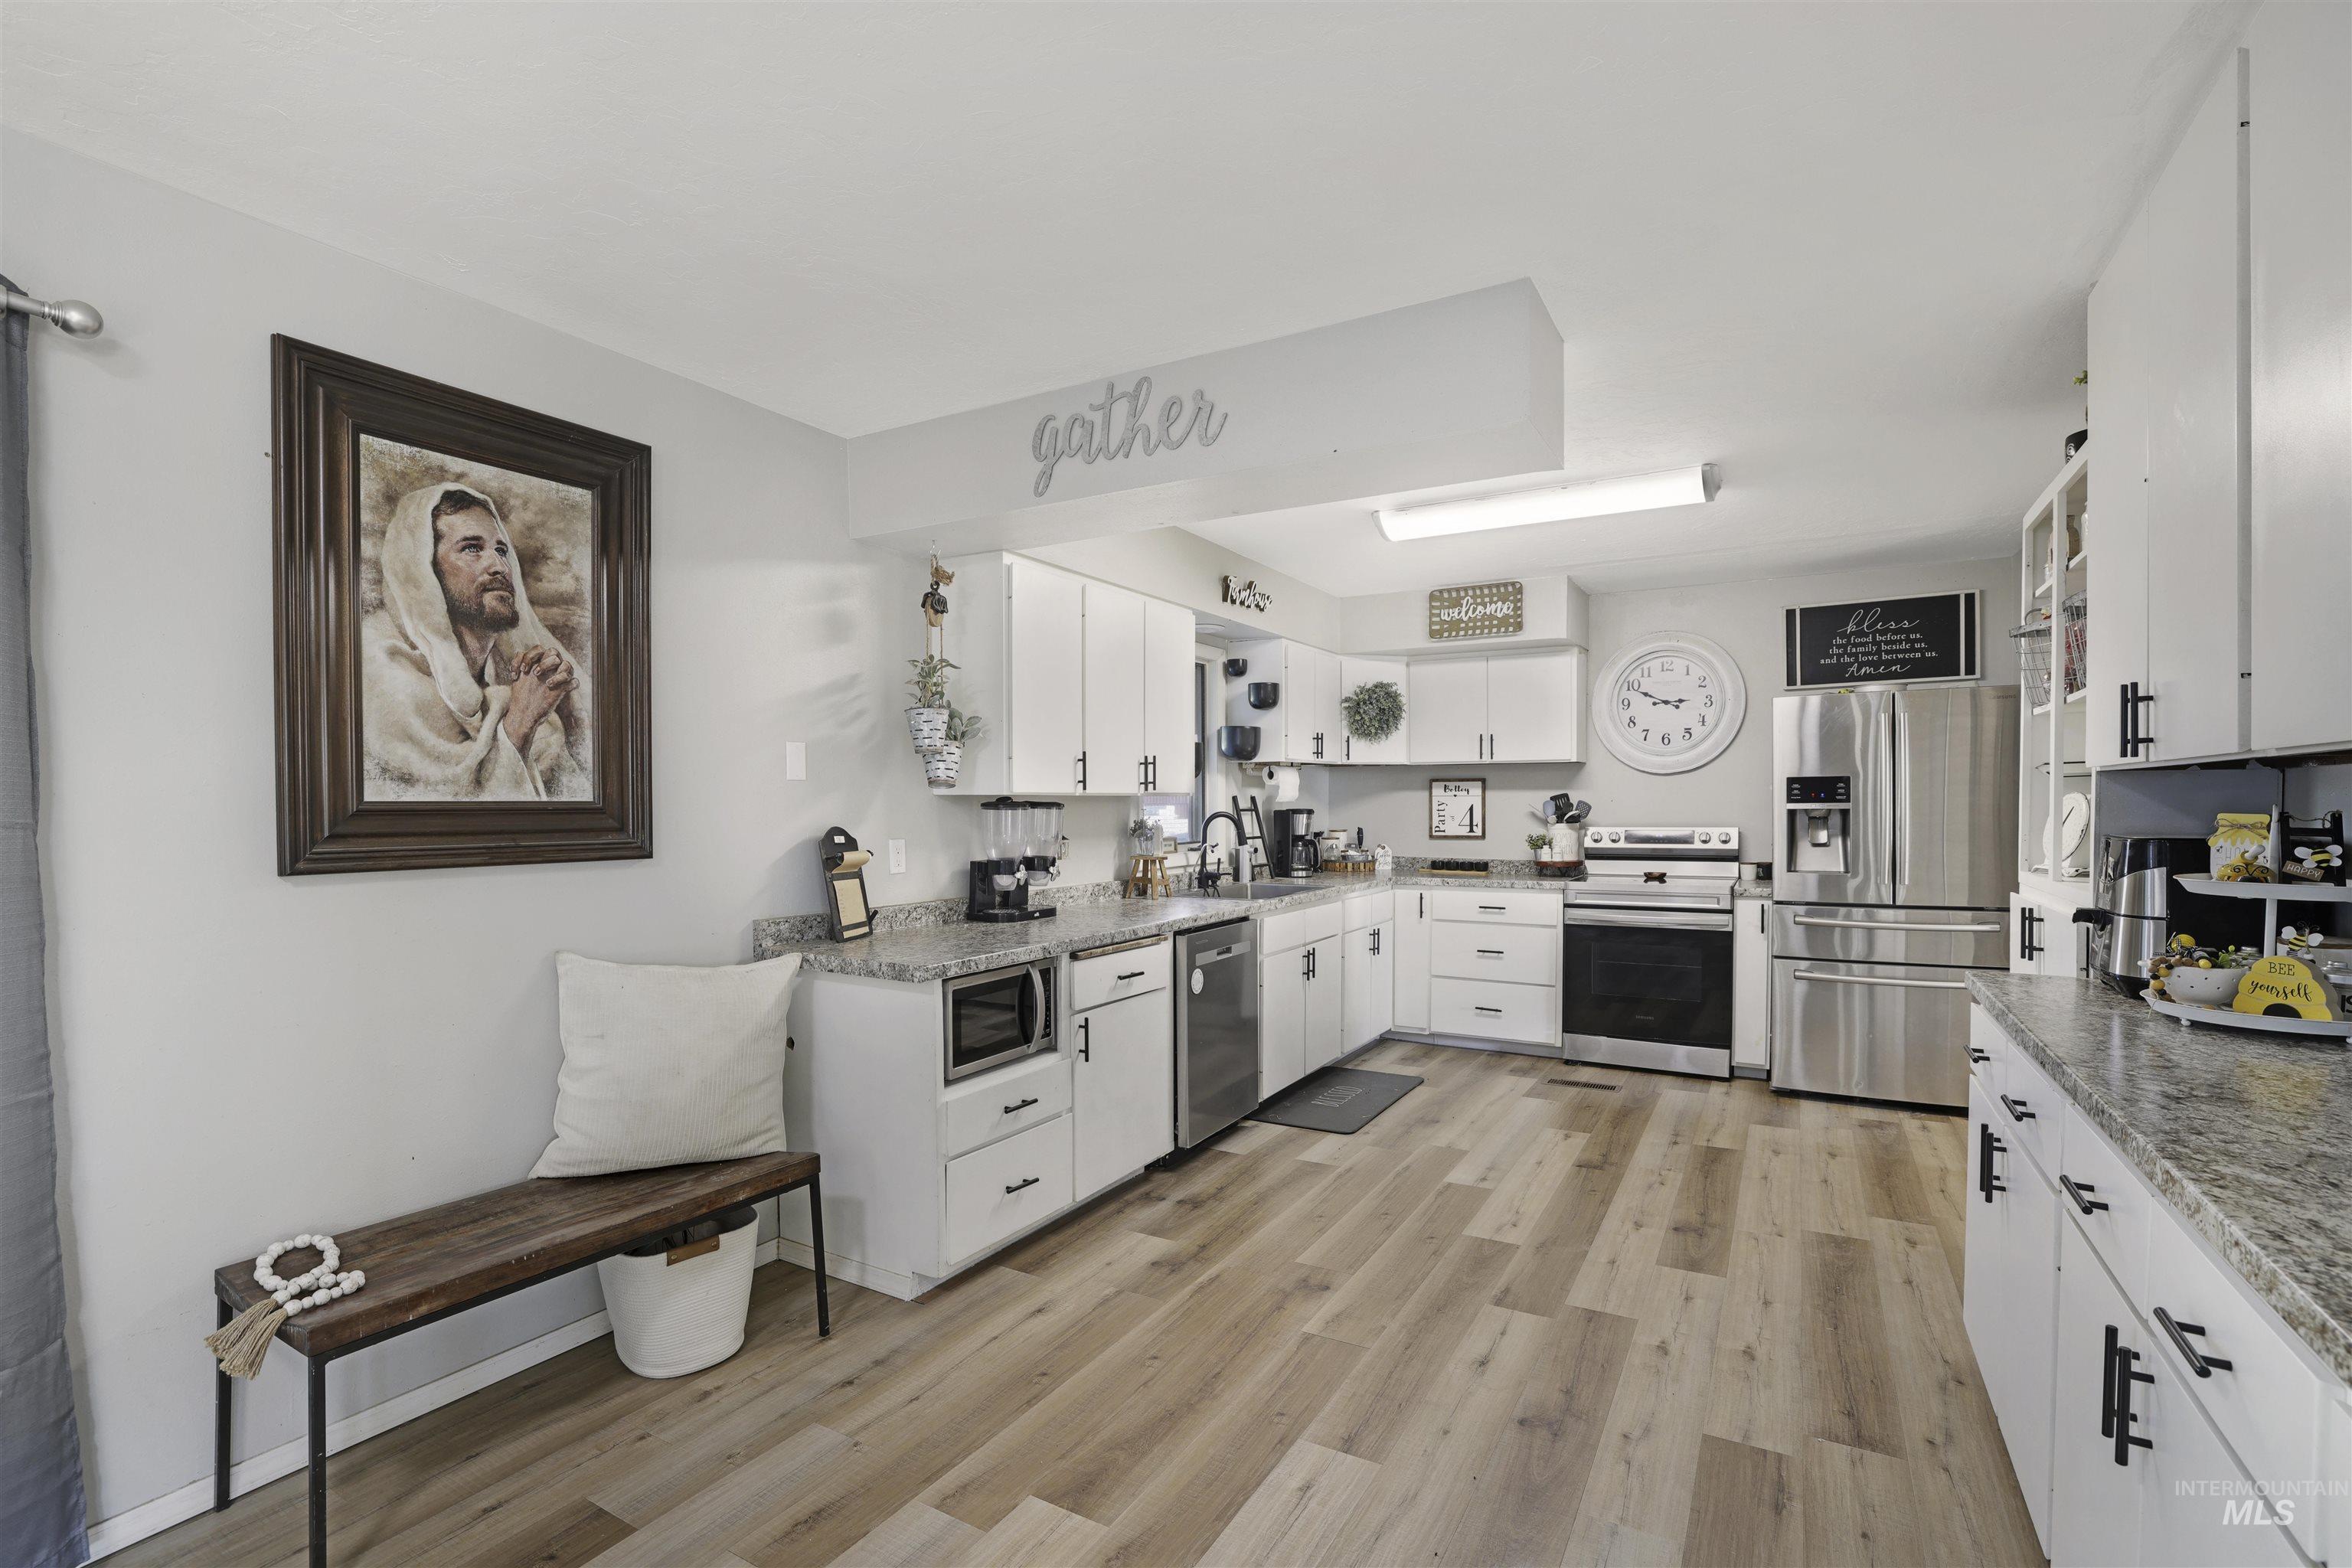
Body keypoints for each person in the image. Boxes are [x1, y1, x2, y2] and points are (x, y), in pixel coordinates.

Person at [361, 481, 588, 800]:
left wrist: (570, 717)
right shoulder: (384, 677)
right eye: (471, 548)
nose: (500, 567)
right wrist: (519, 723)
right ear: (425, 569)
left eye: (501, 550)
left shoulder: (508, 671)